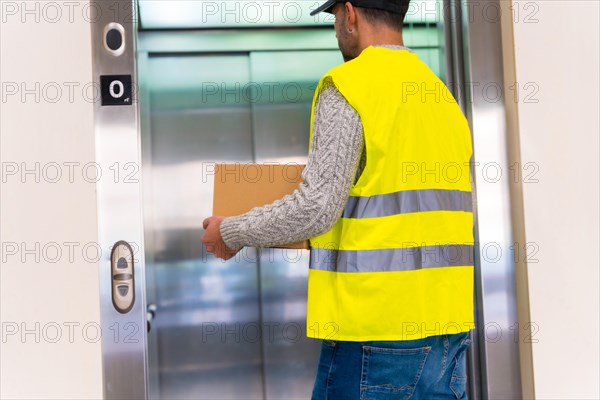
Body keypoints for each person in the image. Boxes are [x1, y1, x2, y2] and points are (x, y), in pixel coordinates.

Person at [202, 0, 475, 398]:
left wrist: (231, 230)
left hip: (374, 335)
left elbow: (317, 207)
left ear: (350, 14)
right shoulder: (441, 97)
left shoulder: (351, 85)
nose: (335, 29)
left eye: (333, 18)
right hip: (448, 332)